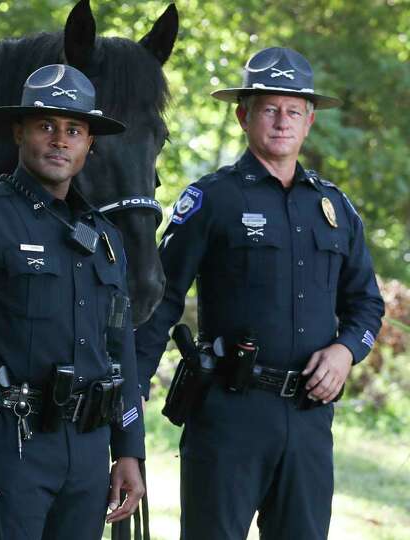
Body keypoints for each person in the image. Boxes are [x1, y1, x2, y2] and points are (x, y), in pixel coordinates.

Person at [134, 47, 385, 538]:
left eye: (294, 111)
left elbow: (366, 305)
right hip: (230, 413)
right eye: (269, 108)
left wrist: (344, 352)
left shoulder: (333, 208)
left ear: (309, 121)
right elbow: (159, 300)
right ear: (243, 115)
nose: (282, 121)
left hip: (310, 418)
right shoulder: (212, 199)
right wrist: (131, 401)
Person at [0, 64, 145, 540]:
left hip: (89, 448)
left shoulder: (104, 237)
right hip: (8, 439)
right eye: (46, 125)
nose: (60, 140)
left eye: (75, 130)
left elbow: (119, 347)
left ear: (90, 144)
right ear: (19, 131)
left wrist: (129, 449)